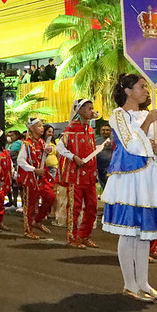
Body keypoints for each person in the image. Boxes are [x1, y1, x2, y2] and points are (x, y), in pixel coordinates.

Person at [102, 73, 157, 302]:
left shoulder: (148, 115)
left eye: (146, 86)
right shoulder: (118, 115)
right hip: (129, 178)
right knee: (129, 232)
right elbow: (131, 143)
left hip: (149, 177)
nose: (146, 90)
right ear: (127, 91)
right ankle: (130, 284)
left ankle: (144, 283)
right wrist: (148, 123)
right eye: (142, 86)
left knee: (145, 234)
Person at [56, 99, 99, 249]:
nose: (92, 111)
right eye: (89, 108)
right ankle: (72, 237)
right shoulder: (70, 130)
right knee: (74, 208)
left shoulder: (91, 130)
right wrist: (73, 157)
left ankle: (84, 235)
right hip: (77, 176)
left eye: (92, 108)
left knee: (92, 206)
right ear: (79, 110)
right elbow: (60, 148)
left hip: (90, 176)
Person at [16, 118, 56, 239]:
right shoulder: (26, 144)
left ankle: (37, 221)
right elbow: (20, 160)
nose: (42, 128)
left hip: (41, 178)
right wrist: (34, 169)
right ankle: (28, 230)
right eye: (39, 126)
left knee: (50, 197)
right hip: (31, 178)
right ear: (32, 128)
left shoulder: (42, 142)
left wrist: (47, 152)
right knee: (30, 205)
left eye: (42, 126)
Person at [95, 125, 113, 189]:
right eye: (103, 130)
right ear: (100, 131)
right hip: (100, 167)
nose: (105, 132)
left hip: (111, 167)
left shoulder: (114, 141)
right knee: (103, 184)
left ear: (111, 131)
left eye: (107, 130)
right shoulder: (96, 141)